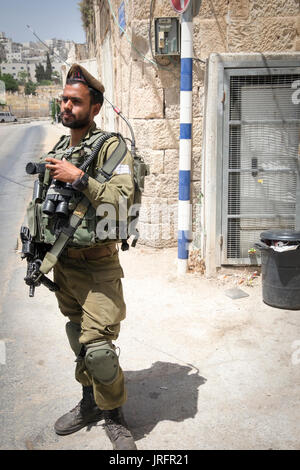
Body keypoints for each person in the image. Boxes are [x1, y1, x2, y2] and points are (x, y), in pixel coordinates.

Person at [39, 64, 136, 450]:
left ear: (94, 107)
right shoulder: (60, 148)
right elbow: (43, 205)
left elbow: (123, 201)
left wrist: (78, 177)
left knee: (98, 349)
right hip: (64, 265)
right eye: (63, 99)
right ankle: (89, 403)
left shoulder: (112, 147)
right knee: (78, 339)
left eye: (75, 101)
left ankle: (114, 414)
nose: (66, 105)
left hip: (97, 265)